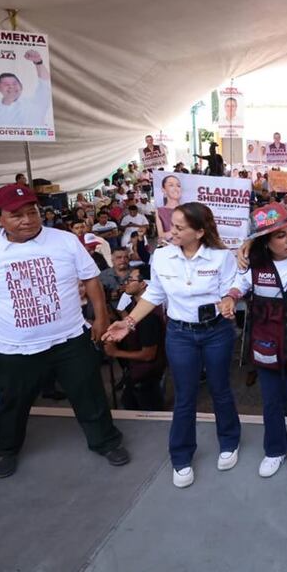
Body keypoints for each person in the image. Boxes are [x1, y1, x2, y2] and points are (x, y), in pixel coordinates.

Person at [0, 185, 129, 479]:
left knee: (89, 394)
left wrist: (100, 317)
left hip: (70, 339)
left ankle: (105, 441)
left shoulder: (65, 241)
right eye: (16, 215)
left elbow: (91, 280)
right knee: (12, 403)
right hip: (15, 348)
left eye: (32, 212)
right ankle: (6, 450)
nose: (27, 219)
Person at [102, 202, 238, 488]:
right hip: (180, 334)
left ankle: (229, 441)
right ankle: (181, 456)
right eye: (171, 225)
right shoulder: (162, 257)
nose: (170, 232)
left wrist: (228, 302)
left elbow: (230, 291)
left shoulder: (221, 257)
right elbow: (155, 294)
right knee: (185, 395)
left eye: (179, 227)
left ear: (200, 232)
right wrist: (128, 324)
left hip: (216, 333)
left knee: (220, 389)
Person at [225, 203, 287, 479]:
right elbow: (238, 286)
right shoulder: (252, 264)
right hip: (266, 347)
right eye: (280, 236)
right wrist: (229, 298)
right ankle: (275, 450)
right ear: (265, 242)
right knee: (271, 402)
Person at [103, 266, 166, 411]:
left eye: (130, 280)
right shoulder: (134, 307)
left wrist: (115, 353)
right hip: (136, 375)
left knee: (150, 417)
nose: (126, 283)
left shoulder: (148, 317)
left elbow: (148, 355)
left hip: (146, 378)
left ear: (143, 284)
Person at [0, 50, 52, 127]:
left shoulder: (37, 103)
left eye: (14, 83)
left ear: (21, 86)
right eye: (6, 84)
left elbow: (45, 83)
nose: (11, 86)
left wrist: (38, 62)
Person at [156, 174, 183, 243]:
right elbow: (161, 236)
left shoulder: (188, 209)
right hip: (169, 248)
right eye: (171, 185)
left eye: (178, 185)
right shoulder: (159, 211)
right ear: (163, 190)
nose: (176, 188)